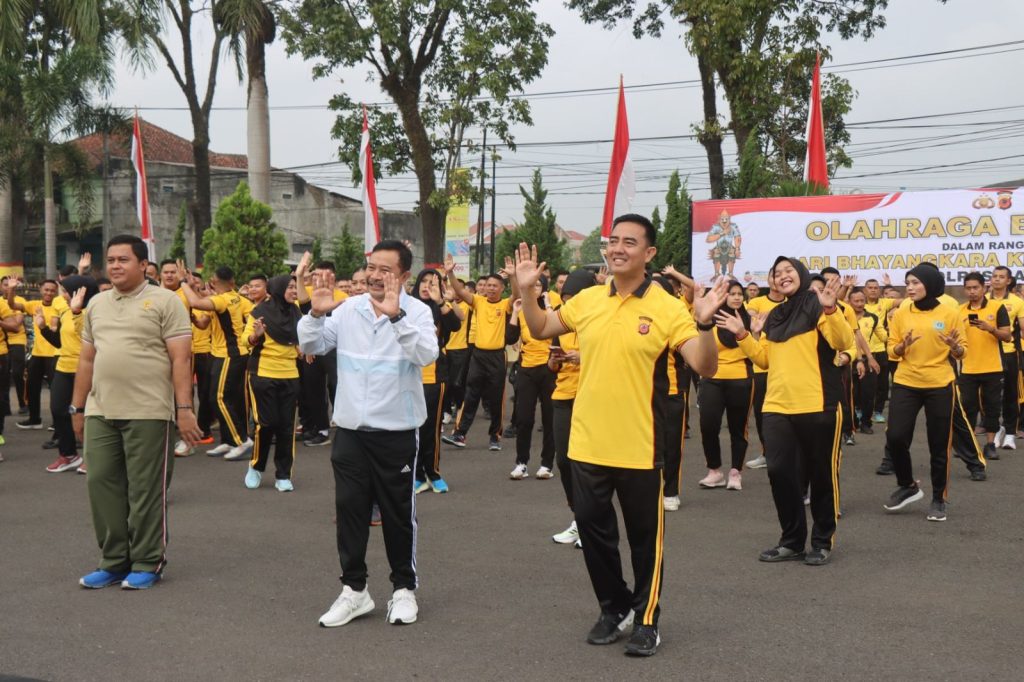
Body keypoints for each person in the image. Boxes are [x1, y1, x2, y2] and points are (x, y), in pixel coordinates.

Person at [515, 215, 727, 658]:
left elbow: (705, 367)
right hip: (587, 442)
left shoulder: (669, 306)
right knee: (594, 534)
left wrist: (705, 325)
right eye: (612, 241)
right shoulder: (590, 299)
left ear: (648, 254)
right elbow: (540, 328)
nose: (617, 248)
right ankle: (614, 607)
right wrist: (526, 291)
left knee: (644, 540)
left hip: (641, 444)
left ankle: (648, 618)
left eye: (629, 242)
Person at [299, 240, 437, 629]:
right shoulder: (348, 310)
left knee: (397, 516)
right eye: (372, 267)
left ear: (405, 277)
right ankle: (355, 591)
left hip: (396, 433)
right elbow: (310, 344)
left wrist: (397, 319)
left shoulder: (418, 312)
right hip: (351, 433)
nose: (375, 276)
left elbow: (426, 355)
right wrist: (314, 311)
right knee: (350, 512)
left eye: (385, 270)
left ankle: (404, 590)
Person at [72, 235, 200, 590]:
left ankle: (147, 561)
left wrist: (184, 408)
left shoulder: (164, 301)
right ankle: (113, 561)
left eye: (123, 260)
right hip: (101, 409)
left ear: (143, 264)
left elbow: (180, 358)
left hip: (149, 412)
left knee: (145, 491)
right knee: (101, 484)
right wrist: (77, 407)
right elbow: (86, 359)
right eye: (110, 260)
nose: (115, 265)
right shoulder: (97, 304)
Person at [721, 257, 852, 566]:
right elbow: (764, 360)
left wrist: (832, 309)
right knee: (780, 473)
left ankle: (821, 541)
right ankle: (792, 541)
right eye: (777, 274)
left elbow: (842, 341)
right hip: (778, 406)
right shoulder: (775, 315)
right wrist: (743, 335)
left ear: (801, 275)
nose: (782, 276)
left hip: (818, 404)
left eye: (788, 271)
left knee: (821, 475)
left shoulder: (819, 303)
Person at [882, 265, 966, 522]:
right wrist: (900, 347)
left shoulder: (950, 313)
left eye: (916, 282)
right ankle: (907, 484)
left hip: (939, 382)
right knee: (895, 437)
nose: (910, 287)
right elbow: (890, 349)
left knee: (938, 444)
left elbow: (963, 351)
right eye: (908, 282)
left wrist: (954, 347)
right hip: (907, 380)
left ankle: (939, 498)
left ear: (929, 284)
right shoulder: (901, 312)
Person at [177, 263, 254, 461]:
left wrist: (183, 282)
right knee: (217, 398)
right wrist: (193, 317)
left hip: (231, 354)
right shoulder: (232, 298)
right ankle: (228, 440)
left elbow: (194, 301)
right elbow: (203, 323)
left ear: (214, 281)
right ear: (232, 282)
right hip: (222, 354)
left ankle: (242, 441)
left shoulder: (224, 300)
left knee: (219, 398)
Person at [243, 275, 306, 492]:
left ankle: (283, 475)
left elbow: (300, 338)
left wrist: (301, 349)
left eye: (295, 287)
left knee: (287, 427)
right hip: (263, 374)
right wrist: (256, 335)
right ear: (278, 289)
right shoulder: (259, 313)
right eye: (289, 288)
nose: (294, 291)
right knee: (266, 424)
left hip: (290, 375)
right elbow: (245, 341)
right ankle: (256, 466)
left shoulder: (296, 311)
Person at [549, 269, 597, 547]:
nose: (570, 304)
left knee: (589, 463)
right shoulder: (561, 324)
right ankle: (578, 517)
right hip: (564, 396)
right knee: (564, 460)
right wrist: (556, 359)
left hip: (592, 397)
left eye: (575, 298)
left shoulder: (600, 323)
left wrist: (584, 356)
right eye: (566, 299)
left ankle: (590, 522)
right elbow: (551, 366)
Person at [442, 262, 510, 451]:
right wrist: (450, 273)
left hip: (497, 357)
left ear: (502, 288)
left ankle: (495, 436)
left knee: (496, 398)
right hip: (478, 356)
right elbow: (460, 291)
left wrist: (513, 276)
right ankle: (460, 434)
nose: (490, 288)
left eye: (495, 285)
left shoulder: (505, 304)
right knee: (470, 395)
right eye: (488, 285)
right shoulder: (478, 301)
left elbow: (519, 296)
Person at [697, 281, 753, 492]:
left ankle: (735, 472)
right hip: (712, 378)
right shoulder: (711, 318)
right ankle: (714, 471)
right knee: (708, 425)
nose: (737, 297)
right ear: (724, 297)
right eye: (732, 294)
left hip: (741, 379)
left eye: (740, 294)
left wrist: (752, 333)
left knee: (738, 429)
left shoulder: (749, 320)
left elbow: (755, 351)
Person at [411, 269, 462, 493]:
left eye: (432, 283)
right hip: (406, 375)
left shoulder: (440, 308)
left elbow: (455, 325)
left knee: (430, 427)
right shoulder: (405, 306)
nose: (426, 286)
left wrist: (440, 300)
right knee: (409, 429)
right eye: (423, 281)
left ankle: (433, 472)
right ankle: (416, 475)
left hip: (434, 375)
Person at [160, 259, 213, 456]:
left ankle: (187, 441)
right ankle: (163, 438)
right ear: (160, 275)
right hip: (158, 351)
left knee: (184, 394)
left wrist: (190, 286)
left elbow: (200, 321)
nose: (169, 275)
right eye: (166, 272)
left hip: (182, 351)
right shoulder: (156, 293)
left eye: (173, 272)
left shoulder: (186, 294)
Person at [506, 275, 556, 480]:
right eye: (532, 285)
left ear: (544, 288)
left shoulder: (550, 310)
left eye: (538, 285)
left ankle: (546, 464)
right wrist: (516, 312)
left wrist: (550, 307)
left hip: (549, 370)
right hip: (526, 369)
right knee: (524, 419)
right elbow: (509, 338)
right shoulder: (523, 310)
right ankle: (521, 463)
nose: (535, 288)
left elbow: (559, 336)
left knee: (549, 419)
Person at [41, 278, 94, 473]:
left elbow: (89, 338)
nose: (61, 294)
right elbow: (59, 342)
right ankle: (69, 455)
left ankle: (93, 457)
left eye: (64, 291)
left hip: (85, 369)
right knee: (58, 410)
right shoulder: (64, 311)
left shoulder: (89, 312)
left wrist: (77, 312)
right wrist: (42, 328)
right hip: (63, 367)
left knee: (88, 414)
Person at [958, 271, 1008, 468]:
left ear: (984, 288)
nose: (972, 292)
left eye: (975, 288)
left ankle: (990, 444)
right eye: (968, 288)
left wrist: (991, 329)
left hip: (992, 367)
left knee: (992, 407)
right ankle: (969, 445)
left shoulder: (997, 307)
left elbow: (1007, 336)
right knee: (967, 408)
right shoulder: (960, 311)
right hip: (968, 368)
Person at [296, 259, 348, 447]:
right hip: (314, 350)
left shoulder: (343, 297)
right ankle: (321, 430)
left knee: (337, 387)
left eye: (325, 275)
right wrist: (300, 277)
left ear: (333, 276)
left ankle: (344, 427)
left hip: (334, 350)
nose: (320, 278)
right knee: (313, 390)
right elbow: (305, 311)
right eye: (316, 275)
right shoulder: (312, 293)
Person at [743, 270, 786, 469]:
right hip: (761, 367)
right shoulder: (757, 302)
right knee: (762, 413)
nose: (777, 280)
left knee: (786, 414)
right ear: (769, 280)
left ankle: (784, 453)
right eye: (774, 276)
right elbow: (752, 319)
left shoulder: (792, 302)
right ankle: (766, 452)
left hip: (786, 367)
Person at [9, 279, 63, 430]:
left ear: (56, 292)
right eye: (46, 289)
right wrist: (12, 290)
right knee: (32, 387)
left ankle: (58, 422)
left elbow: (54, 327)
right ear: (41, 290)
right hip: (37, 354)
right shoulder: (34, 305)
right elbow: (13, 305)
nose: (49, 293)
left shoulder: (59, 306)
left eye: (52, 290)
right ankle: (34, 419)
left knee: (57, 390)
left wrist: (50, 326)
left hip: (54, 354)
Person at [987, 266, 1024, 450]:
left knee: (1011, 395)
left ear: (1009, 281)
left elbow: (1023, 329)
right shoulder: (983, 299)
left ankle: (1010, 433)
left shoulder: (1017, 302)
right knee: (990, 397)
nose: (997, 279)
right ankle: (994, 431)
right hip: (988, 354)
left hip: (1010, 353)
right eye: (994, 276)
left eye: (1001, 277)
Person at [847, 288, 887, 435]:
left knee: (868, 394)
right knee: (851, 393)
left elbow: (883, 336)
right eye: (855, 301)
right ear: (849, 302)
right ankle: (853, 423)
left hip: (868, 359)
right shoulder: (843, 318)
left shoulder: (873, 318)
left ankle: (866, 423)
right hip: (848, 358)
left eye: (861, 301)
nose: (859, 303)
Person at [863, 277, 895, 423]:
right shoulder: (858, 303)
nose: (873, 290)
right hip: (863, 351)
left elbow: (905, 301)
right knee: (864, 385)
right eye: (870, 287)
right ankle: (860, 410)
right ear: (865, 290)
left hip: (881, 349)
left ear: (880, 291)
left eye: (876, 287)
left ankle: (878, 411)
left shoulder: (884, 303)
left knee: (882, 384)